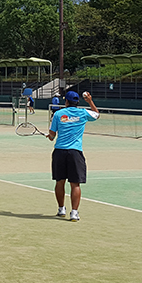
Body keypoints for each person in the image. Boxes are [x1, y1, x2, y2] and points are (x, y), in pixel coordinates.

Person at [48, 90, 101, 221]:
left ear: (66, 101)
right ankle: (74, 213)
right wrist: (90, 101)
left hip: (60, 152)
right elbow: (97, 115)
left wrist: (50, 136)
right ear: (77, 102)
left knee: (59, 182)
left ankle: (61, 209)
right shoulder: (83, 113)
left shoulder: (58, 114)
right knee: (75, 184)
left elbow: (52, 135)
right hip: (75, 153)